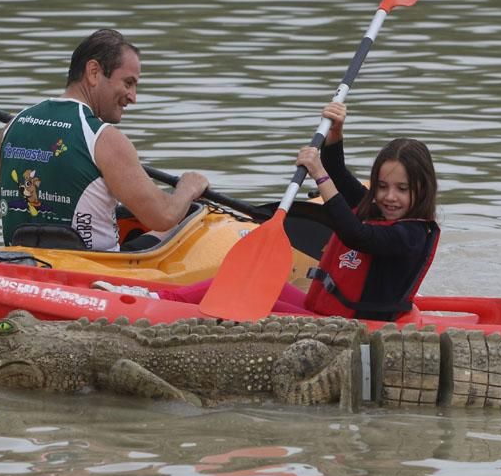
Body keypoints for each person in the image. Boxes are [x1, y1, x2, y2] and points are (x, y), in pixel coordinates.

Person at [143, 101, 441, 320]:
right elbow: (339, 173)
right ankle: (160, 296)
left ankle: (159, 306)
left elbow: (355, 234)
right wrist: (336, 134)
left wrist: (318, 175)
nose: (390, 197)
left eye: (402, 189)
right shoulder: (376, 208)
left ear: (422, 189)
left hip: (347, 325)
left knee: (255, 296)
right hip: (325, 311)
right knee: (246, 279)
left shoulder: (411, 234)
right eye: (383, 186)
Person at [0, 28, 210, 251]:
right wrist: (188, 187)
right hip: (94, 274)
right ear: (94, 72)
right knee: (190, 220)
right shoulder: (104, 138)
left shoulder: (17, 123)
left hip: (25, 263)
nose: (133, 97)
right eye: (128, 83)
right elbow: (163, 216)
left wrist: (16, 136)